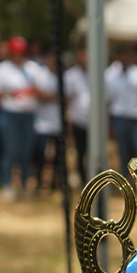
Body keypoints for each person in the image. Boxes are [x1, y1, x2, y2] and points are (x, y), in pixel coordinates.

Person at [0, 36, 49, 201]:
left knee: (26, 151)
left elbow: (43, 90)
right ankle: (7, 185)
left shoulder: (33, 69)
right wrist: (9, 93)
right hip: (9, 115)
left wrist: (34, 91)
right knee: (11, 150)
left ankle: (26, 185)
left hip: (28, 115)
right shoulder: (1, 69)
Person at [105, 44, 137, 173]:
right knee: (123, 152)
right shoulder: (110, 75)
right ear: (118, 57)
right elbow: (108, 102)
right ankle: (126, 181)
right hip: (119, 118)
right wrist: (110, 125)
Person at [31, 50, 62, 192]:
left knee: (58, 156)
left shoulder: (63, 75)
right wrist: (55, 97)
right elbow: (39, 95)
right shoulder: (40, 74)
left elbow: (68, 97)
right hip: (41, 122)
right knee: (40, 154)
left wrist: (49, 96)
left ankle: (55, 183)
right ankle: (38, 180)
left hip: (57, 123)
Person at [63, 48, 89, 186]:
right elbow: (67, 99)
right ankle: (81, 176)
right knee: (79, 150)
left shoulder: (97, 74)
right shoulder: (71, 75)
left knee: (91, 152)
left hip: (93, 122)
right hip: (77, 121)